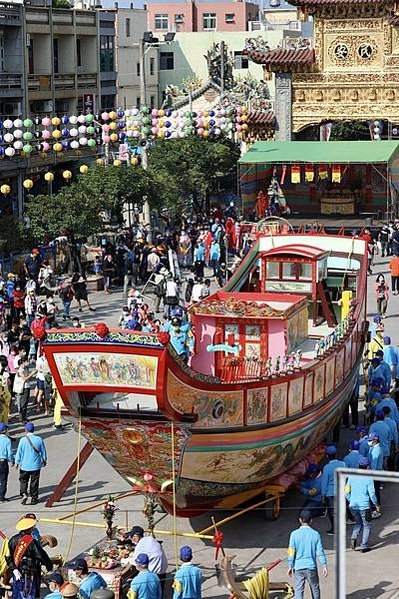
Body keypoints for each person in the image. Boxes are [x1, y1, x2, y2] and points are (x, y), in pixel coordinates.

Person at [6, 514, 52, 599]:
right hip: (31, 573)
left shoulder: (13, 539)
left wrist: (14, 569)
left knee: (18, 593)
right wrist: (49, 566)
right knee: (30, 593)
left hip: (17, 572)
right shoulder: (31, 542)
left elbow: (8, 557)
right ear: (30, 528)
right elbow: (41, 555)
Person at [287, 510, 327, 599]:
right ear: (311, 520)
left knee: (299, 590)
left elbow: (291, 551)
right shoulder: (315, 534)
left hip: (298, 567)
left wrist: (290, 565)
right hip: (311, 567)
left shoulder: (294, 534)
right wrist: (324, 565)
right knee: (315, 588)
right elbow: (320, 551)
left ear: (300, 520)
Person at [345, 457, 380, 552]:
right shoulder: (368, 478)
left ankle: (353, 537)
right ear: (367, 466)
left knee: (358, 523)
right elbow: (372, 494)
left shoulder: (351, 476)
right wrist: (376, 505)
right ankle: (364, 545)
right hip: (364, 506)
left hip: (353, 505)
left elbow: (346, 491)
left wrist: (350, 500)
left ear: (358, 465)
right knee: (367, 525)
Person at [15, 422, 47, 505]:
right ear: (34, 429)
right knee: (34, 482)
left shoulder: (22, 440)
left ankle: (24, 494)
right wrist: (44, 460)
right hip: (36, 466)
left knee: (23, 480)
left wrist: (17, 462)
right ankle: (34, 498)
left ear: (26, 430)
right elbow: (43, 451)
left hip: (24, 465)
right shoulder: (39, 439)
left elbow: (19, 452)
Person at [321, 445, 345, 535]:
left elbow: (324, 483)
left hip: (330, 493)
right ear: (336, 454)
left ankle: (334, 529)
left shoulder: (327, 468)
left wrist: (323, 495)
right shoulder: (342, 464)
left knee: (332, 512)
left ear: (327, 456)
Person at [0, 422, 13, 502]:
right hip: (2, 462)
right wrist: (12, 460)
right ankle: (1, 497)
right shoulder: (7, 440)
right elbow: (10, 453)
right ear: (5, 430)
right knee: (3, 479)